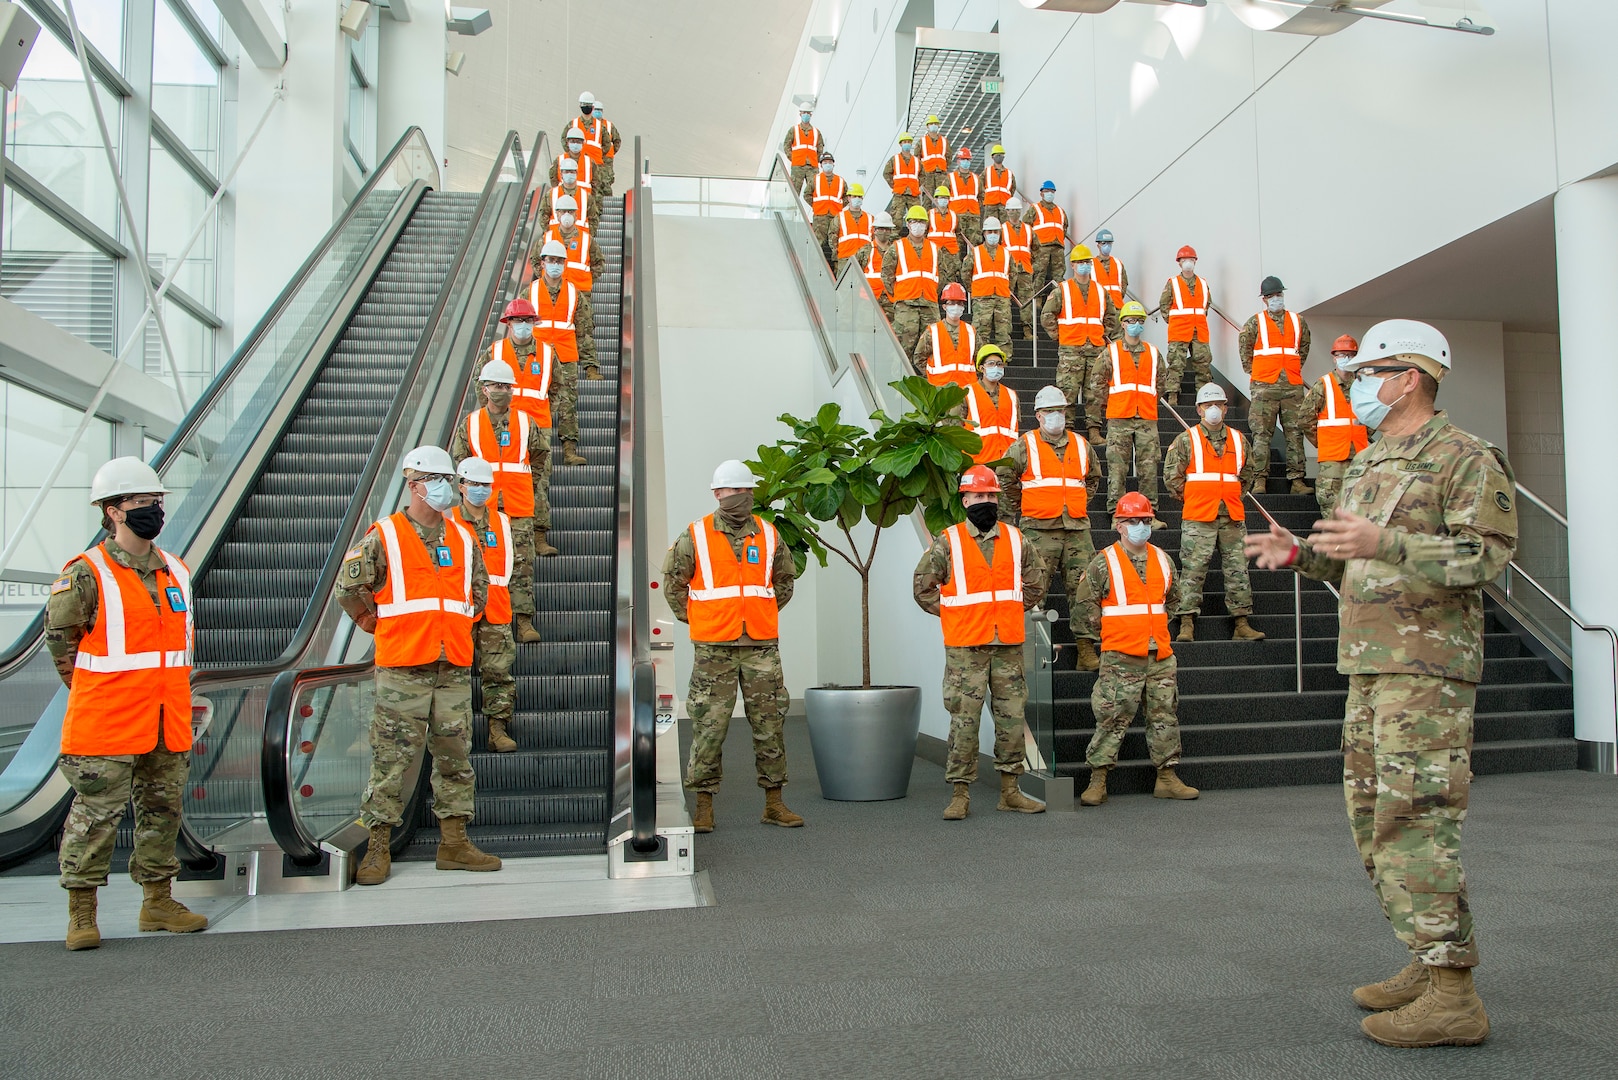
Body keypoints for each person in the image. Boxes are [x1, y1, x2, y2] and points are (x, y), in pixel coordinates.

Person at [1244, 319, 1516, 1049]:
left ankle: (1454, 993)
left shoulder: (1464, 456)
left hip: (1426, 670)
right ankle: (1426, 962)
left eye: (1372, 371)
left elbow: (1484, 556)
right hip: (1369, 663)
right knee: (1372, 818)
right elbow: (1349, 558)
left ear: (1411, 377)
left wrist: (1385, 541)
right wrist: (1301, 552)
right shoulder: (1371, 462)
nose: (1358, 384)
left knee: (1416, 818)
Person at [48, 457, 209, 950]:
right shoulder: (86, 573)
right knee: (96, 816)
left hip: (167, 718)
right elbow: (62, 642)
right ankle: (81, 913)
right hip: (107, 719)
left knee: (163, 811)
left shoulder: (176, 570)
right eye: (141, 503)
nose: (153, 512)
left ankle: (157, 902)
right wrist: (97, 691)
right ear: (113, 511)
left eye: (156, 502)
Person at [338, 445, 502, 886]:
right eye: (436, 481)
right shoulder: (385, 535)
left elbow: (478, 593)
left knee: (455, 758)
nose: (445, 488)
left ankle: (454, 843)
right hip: (402, 667)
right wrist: (374, 624)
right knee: (392, 759)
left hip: (451, 666)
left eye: (448, 480)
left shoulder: (462, 537)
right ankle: (377, 848)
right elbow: (350, 588)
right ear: (413, 485)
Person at [663, 460, 802, 833]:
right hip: (714, 648)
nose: (737, 497)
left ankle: (774, 803)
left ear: (751, 493)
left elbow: (784, 581)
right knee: (709, 726)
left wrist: (761, 613)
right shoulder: (695, 535)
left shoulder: (769, 535)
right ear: (717, 494)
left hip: (760, 645)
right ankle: (704, 808)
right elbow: (673, 584)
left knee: (770, 723)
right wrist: (699, 620)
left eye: (743, 491)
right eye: (729, 491)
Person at [913, 466, 1050, 820]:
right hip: (965, 649)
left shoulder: (1017, 539)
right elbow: (923, 587)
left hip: (1007, 645)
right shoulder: (949, 540)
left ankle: (1010, 791)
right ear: (965, 499)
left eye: (991, 496)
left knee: (1011, 719)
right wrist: (955, 615)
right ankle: (960, 794)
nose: (986, 502)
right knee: (964, 721)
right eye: (979, 496)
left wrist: (1009, 611)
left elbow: (1036, 583)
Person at [1071, 491, 1199, 806]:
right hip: (1120, 655)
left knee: (1164, 716)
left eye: (1144, 520)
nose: (1140, 526)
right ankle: (1098, 780)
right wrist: (1114, 635)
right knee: (1112, 717)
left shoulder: (1162, 559)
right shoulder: (1103, 562)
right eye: (1132, 520)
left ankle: (1167, 777)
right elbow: (1084, 608)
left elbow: (1173, 601)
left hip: (1160, 655)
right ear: (1119, 524)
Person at [996, 386, 1103, 672]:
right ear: (1039, 416)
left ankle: (1085, 650)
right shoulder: (1024, 445)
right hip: (1038, 530)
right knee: (1033, 590)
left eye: (1060, 411)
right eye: (1050, 412)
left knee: (1084, 590)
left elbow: (1092, 479)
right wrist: (1025, 504)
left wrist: (1076, 504)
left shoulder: (1082, 445)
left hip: (1077, 529)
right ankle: (1030, 651)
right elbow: (1004, 475)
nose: (1056, 416)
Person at [450, 355, 553, 644]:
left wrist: (528, 484)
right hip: (480, 508)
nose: (503, 391)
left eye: (507, 387)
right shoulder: (470, 424)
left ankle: (522, 622)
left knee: (521, 564)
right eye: (496, 385)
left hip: (518, 505)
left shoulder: (525, 421)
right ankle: (473, 622)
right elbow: (461, 461)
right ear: (484, 389)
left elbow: (540, 456)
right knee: (477, 562)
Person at [1162, 384, 1265, 642]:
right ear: (1198, 409)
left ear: (1226, 408)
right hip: (1198, 516)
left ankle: (1241, 623)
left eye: (1218, 404)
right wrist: (1196, 498)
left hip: (1231, 515)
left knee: (1238, 570)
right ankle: (1186, 623)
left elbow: (1248, 474)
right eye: (1208, 405)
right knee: (1193, 569)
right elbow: (1171, 478)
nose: (1213, 409)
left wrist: (1229, 496)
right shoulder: (1187, 439)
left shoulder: (1239, 440)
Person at [448, 457, 519, 753]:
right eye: (474, 484)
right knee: (455, 672)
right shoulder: (448, 519)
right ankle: (455, 737)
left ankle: (497, 730)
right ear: (462, 486)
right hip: (459, 608)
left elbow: (510, 566)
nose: (480, 490)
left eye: (485, 485)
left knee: (498, 671)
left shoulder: (501, 521)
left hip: (496, 607)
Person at [1240, 275, 1313, 495]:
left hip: (1292, 387)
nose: (1275, 299)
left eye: (1278, 294)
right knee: (1261, 435)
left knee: (1295, 434)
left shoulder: (1298, 321)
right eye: (1270, 296)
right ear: (1264, 300)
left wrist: (1291, 369)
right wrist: (1258, 374)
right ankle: (1260, 479)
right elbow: (1245, 351)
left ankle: (1297, 481)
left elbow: (1304, 348)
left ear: (1283, 295)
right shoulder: (1254, 322)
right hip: (1264, 387)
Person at [529, 239, 598, 466]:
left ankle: (569, 451)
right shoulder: (529, 291)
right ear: (542, 263)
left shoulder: (573, 293)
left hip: (566, 356)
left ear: (564, 263)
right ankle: (537, 453)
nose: (555, 265)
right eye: (551, 260)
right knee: (539, 402)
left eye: (559, 261)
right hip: (538, 358)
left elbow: (584, 329)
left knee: (568, 404)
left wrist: (590, 364)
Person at [1041, 244, 1120, 435]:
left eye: (1087, 262)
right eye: (1080, 262)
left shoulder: (1101, 291)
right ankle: (1066, 428)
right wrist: (1059, 335)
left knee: (1094, 391)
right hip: (1070, 349)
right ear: (1073, 265)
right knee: (1067, 390)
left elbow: (1111, 315)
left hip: (1095, 347)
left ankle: (1094, 430)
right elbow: (1046, 315)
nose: (1084, 265)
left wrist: (1101, 332)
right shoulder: (1063, 290)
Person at [1099, 301, 1163, 516]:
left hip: (1146, 417)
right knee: (1117, 469)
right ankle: (1116, 513)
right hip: (1119, 417)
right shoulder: (1111, 352)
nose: (1135, 324)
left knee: (1149, 469)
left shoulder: (1153, 353)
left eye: (1138, 321)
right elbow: (1097, 383)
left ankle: (1150, 513)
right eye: (1130, 321)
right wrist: (1111, 404)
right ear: (1123, 324)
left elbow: (1160, 383)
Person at [1299, 334, 1370, 517]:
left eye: (1350, 354)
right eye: (1341, 354)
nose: (1345, 358)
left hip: (1360, 457)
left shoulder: (1365, 386)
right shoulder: (1323, 385)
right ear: (1334, 357)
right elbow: (1305, 419)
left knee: (1360, 512)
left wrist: (1363, 435)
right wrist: (1322, 442)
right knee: (1332, 514)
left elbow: (1373, 417)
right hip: (1332, 461)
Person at [883, 205, 946, 359]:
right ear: (908, 224)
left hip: (929, 304)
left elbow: (943, 275)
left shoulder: (935, 249)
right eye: (914, 221)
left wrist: (931, 292)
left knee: (932, 350)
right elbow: (886, 274)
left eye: (921, 222)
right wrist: (898, 295)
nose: (918, 225)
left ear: (926, 225)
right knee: (902, 349)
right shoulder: (897, 247)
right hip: (905, 305)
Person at [1159, 245, 1213, 403]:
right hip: (1179, 330)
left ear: (1195, 261)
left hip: (1200, 330)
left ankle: (1204, 395)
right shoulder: (1173, 283)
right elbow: (1164, 305)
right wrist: (1175, 322)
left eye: (1191, 259)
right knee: (1176, 363)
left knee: (1203, 365)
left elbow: (1206, 304)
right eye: (1184, 260)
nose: (1188, 262)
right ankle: (1173, 394)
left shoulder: (1203, 283)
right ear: (1179, 263)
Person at [963, 345, 1019, 469]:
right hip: (977, 463)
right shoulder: (966, 393)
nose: (996, 367)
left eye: (1000, 364)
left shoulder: (1012, 395)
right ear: (981, 368)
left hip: (1006, 465)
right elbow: (955, 428)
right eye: (991, 363)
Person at [913, 283, 977, 387]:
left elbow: (980, 359)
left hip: (966, 388)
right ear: (944, 306)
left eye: (959, 303)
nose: (956, 306)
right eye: (951, 303)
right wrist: (931, 376)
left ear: (963, 307)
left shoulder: (971, 332)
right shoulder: (932, 331)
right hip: (940, 387)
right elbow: (918, 358)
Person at [966, 217, 1013, 352]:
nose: (993, 235)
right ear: (984, 234)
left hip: (1002, 297)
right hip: (981, 297)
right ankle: (980, 359)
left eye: (996, 232)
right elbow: (966, 272)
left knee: (1003, 332)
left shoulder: (1007, 253)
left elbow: (1013, 274)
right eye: (990, 232)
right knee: (981, 332)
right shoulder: (975, 252)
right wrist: (974, 289)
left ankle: (1004, 360)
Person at [543, 194, 605, 297]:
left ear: (576, 215)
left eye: (570, 212)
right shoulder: (547, 238)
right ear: (557, 214)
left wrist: (586, 278)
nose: (566, 215)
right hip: (552, 292)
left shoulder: (586, 239)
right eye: (563, 211)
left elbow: (599, 263)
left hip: (580, 291)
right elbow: (536, 261)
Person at [1024, 181, 1069, 310]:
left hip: (1058, 247)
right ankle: (1037, 300)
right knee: (1039, 273)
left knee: (1059, 275)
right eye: (1047, 191)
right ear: (1041, 193)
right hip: (1041, 247)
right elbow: (1026, 226)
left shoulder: (1060, 211)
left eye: (1052, 191)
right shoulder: (1035, 208)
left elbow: (1064, 227)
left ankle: (1058, 300)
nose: (1049, 194)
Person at [1001, 197, 1034, 339]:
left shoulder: (1028, 229)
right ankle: (1006, 330)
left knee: (1027, 300)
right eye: (1012, 210)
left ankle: (1027, 330)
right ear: (1007, 212)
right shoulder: (1001, 229)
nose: (1014, 212)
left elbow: (1037, 249)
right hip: (1008, 270)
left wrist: (1035, 265)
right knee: (1005, 299)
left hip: (1025, 268)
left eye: (1016, 210)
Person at [854, 211, 896, 320]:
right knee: (865, 329)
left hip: (890, 299)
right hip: (868, 299)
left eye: (887, 229)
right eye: (881, 229)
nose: (884, 232)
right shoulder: (864, 251)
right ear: (874, 230)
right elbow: (854, 274)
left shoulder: (897, 251)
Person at [809, 152, 847, 264]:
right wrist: (816, 205)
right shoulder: (815, 179)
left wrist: (840, 206)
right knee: (818, 242)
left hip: (835, 216)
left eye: (830, 162)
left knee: (835, 242)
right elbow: (807, 194)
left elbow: (847, 196)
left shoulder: (840, 181)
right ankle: (815, 265)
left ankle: (835, 267)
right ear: (821, 165)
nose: (827, 164)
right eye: (825, 163)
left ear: (833, 164)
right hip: (820, 216)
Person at [540, 157, 594, 230]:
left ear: (576, 173)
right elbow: (543, 215)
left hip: (579, 238)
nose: (569, 174)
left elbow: (593, 218)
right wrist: (548, 233)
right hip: (556, 237)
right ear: (561, 174)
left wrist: (589, 235)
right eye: (566, 172)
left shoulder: (586, 196)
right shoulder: (551, 194)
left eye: (572, 172)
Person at [784, 102, 824, 197]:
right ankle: (791, 211)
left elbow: (820, 148)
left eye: (808, 113)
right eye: (804, 112)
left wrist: (815, 159)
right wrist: (793, 158)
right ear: (800, 114)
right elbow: (786, 145)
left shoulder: (816, 132)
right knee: (793, 193)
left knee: (815, 191)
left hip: (812, 166)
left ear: (811, 115)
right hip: (798, 166)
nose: (806, 115)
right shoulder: (794, 130)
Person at [927, 185, 962, 288]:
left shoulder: (954, 215)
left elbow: (959, 233)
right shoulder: (929, 214)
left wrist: (956, 250)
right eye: (940, 197)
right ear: (936, 199)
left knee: (950, 278)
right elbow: (924, 233)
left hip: (951, 253)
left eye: (945, 197)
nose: (943, 200)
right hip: (934, 251)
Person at [883, 132, 923, 222]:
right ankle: (894, 236)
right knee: (896, 217)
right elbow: (886, 173)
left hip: (913, 193)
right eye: (904, 142)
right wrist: (894, 185)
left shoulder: (917, 161)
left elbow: (923, 175)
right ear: (900, 144)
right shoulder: (894, 159)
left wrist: (916, 185)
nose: (907, 144)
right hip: (899, 193)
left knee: (917, 218)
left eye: (909, 142)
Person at [948, 148, 982, 247]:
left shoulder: (976, 178)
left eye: (967, 159)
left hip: (973, 216)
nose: (965, 162)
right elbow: (943, 196)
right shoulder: (950, 178)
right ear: (958, 161)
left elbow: (981, 196)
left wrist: (975, 206)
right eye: (963, 159)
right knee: (956, 244)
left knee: (975, 244)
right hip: (957, 215)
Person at [834, 184, 873, 270]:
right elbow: (832, 239)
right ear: (848, 198)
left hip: (865, 261)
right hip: (845, 259)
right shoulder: (840, 217)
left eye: (859, 196)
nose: (857, 199)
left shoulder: (870, 218)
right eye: (854, 196)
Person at [588, 99, 620, 197]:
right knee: (592, 180)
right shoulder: (588, 124)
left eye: (600, 110)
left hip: (606, 159)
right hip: (592, 157)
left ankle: (607, 200)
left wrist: (610, 152)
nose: (598, 112)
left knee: (606, 182)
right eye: (596, 109)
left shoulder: (609, 125)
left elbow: (617, 141)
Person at [1093, 227, 1128, 310]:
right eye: (1103, 243)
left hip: (1117, 306)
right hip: (1099, 307)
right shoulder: (1091, 264)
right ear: (1098, 245)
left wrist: (1117, 297)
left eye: (1109, 243)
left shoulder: (1118, 263)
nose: (1107, 246)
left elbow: (1124, 284)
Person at [918, 115, 950, 197]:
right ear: (927, 126)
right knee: (927, 199)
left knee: (942, 196)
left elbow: (949, 157)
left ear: (938, 125)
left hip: (941, 173)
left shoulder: (944, 141)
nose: (933, 125)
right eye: (931, 123)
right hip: (927, 174)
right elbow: (917, 159)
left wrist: (944, 167)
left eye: (935, 123)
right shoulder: (922, 141)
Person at [982, 144, 1016, 217]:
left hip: (1005, 205)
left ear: (1003, 156)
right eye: (997, 154)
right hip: (990, 205)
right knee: (991, 226)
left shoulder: (1009, 173)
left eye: (1001, 154)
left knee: (1005, 227)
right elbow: (979, 186)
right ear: (992, 157)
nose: (999, 156)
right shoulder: (987, 171)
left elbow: (1013, 188)